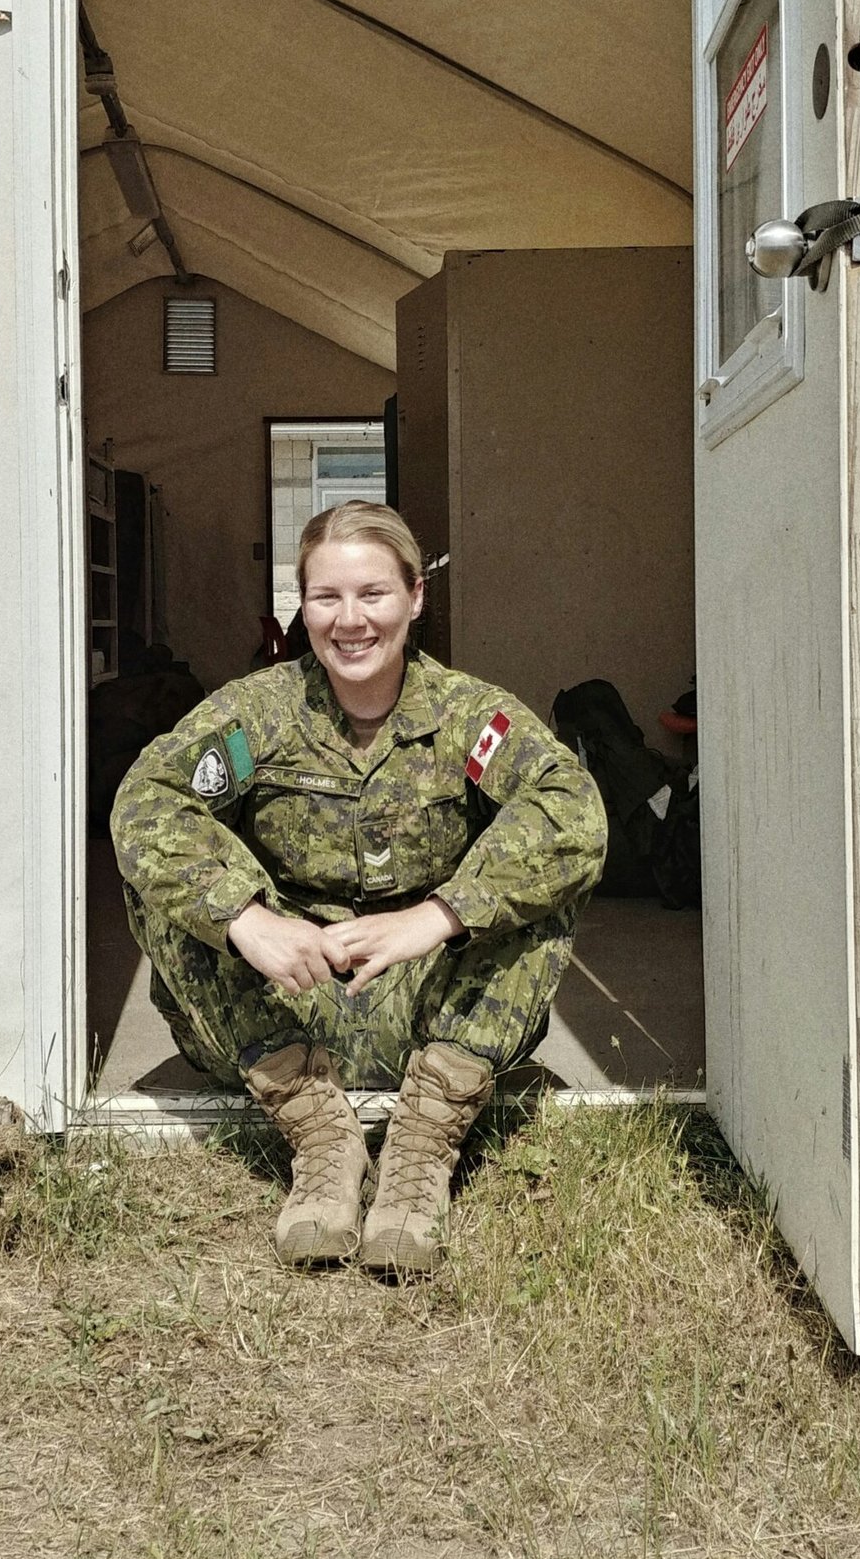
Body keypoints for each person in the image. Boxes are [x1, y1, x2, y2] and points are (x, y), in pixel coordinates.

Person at [111, 503, 607, 1273]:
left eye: (373, 594)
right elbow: (145, 800)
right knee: (167, 886)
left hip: (431, 1008)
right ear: (300, 606)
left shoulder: (468, 715)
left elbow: (573, 811)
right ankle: (320, 1136)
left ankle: (420, 1146)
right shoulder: (260, 713)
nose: (349, 621)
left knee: (542, 880)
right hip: (285, 1002)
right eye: (325, 598)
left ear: (415, 597)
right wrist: (247, 919)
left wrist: (440, 914)